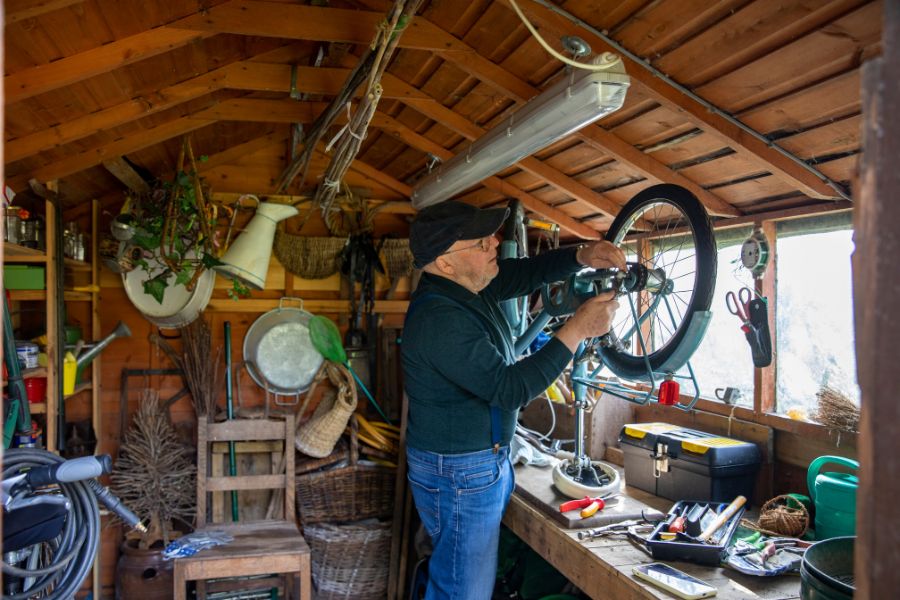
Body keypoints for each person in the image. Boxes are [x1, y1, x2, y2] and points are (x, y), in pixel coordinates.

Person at [401, 200, 626, 600]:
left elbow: (524, 274)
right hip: (459, 474)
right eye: (481, 241)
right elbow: (510, 389)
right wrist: (577, 330)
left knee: (462, 581)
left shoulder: (469, 285)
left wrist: (581, 255)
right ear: (446, 262)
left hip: (479, 463)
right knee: (462, 591)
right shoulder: (440, 319)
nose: (495, 243)